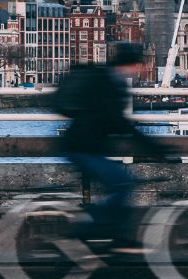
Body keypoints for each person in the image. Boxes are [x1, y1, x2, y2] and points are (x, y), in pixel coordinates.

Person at [47, 42, 173, 248]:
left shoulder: (108, 78)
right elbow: (120, 123)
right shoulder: (111, 83)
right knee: (122, 185)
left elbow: (117, 122)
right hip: (82, 148)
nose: (141, 69)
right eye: (139, 64)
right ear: (131, 64)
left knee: (118, 185)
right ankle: (80, 235)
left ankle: (112, 235)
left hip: (85, 146)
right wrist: (155, 148)